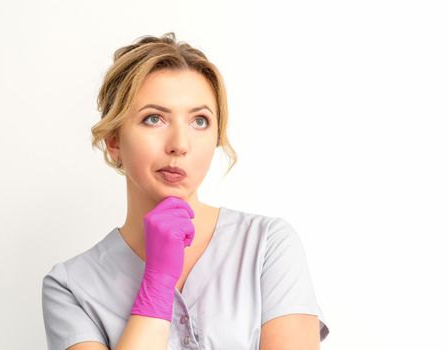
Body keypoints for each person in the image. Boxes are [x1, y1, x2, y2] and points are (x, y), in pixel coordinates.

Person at [41, 32, 330, 350]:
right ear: (114, 142)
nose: (179, 144)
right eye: (154, 119)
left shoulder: (267, 245)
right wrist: (158, 283)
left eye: (200, 121)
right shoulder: (70, 287)